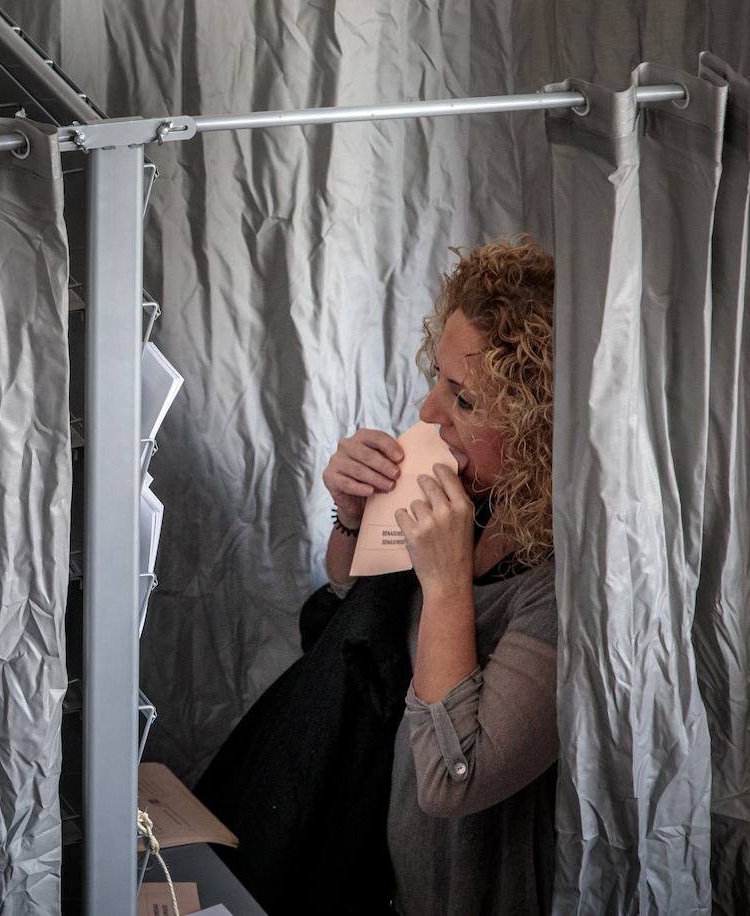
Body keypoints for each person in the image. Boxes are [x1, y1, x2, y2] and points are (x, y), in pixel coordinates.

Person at [195, 236, 557, 915]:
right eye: (439, 377)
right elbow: (346, 619)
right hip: (371, 876)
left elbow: (455, 779)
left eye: (464, 400)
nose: (428, 412)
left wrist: (445, 585)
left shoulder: (562, 590)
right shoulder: (472, 497)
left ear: (542, 428)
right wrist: (356, 519)